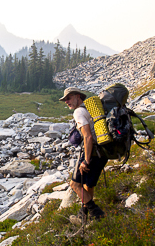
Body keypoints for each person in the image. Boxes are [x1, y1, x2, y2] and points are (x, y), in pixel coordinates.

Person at [59, 87, 108, 224]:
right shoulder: (89, 109)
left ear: (77, 96)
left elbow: (87, 136)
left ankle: (96, 213)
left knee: (75, 184)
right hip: (102, 152)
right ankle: (83, 216)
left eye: (68, 98)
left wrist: (86, 161)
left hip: (92, 153)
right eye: (65, 99)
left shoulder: (79, 111)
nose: (66, 101)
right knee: (88, 184)